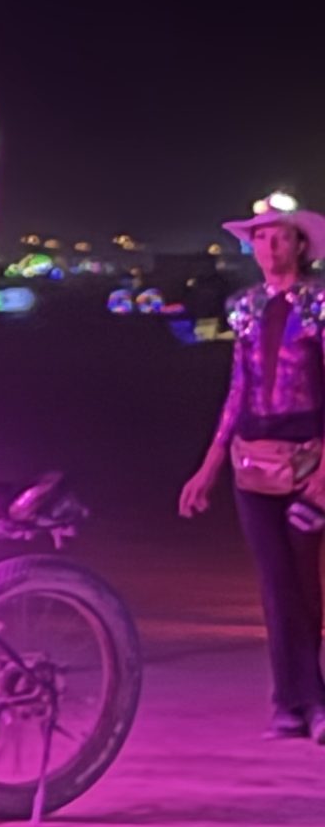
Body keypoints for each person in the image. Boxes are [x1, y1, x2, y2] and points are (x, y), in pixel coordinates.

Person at [180, 201, 325, 739]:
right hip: (253, 464)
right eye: (261, 238)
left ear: (299, 246)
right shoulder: (244, 307)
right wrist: (209, 467)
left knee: (304, 585)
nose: (270, 247)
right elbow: (238, 391)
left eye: (280, 238)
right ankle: (291, 704)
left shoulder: (319, 305)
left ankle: (309, 701)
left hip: (307, 460)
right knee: (274, 583)